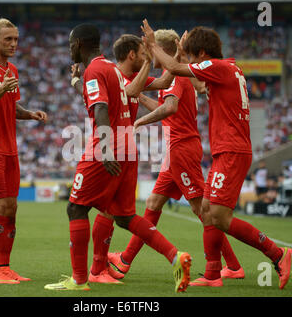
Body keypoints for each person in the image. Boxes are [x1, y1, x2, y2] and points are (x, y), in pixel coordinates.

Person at [142, 19, 292, 289]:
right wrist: (182, 55)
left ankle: (278, 254)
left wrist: (154, 44)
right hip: (226, 150)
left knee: (220, 217)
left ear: (202, 54)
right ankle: (213, 273)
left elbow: (176, 69)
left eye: (192, 54)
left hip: (232, 150)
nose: (190, 60)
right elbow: (198, 85)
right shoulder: (227, 70)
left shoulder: (218, 66)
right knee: (208, 212)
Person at [44, 23, 192, 292]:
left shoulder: (95, 70)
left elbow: (100, 107)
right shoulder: (111, 69)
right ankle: (175, 256)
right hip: (128, 149)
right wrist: (77, 82)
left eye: (69, 45)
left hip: (107, 146)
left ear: (78, 44)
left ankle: (79, 280)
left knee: (76, 208)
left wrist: (104, 148)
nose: (69, 50)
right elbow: (100, 97)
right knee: (122, 216)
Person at [108, 29, 244, 282]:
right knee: (153, 204)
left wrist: (139, 122)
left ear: (164, 50)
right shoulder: (172, 76)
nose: (148, 53)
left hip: (182, 149)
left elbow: (169, 109)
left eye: (152, 49)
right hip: (176, 150)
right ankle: (125, 260)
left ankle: (233, 265)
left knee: (203, 211)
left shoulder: (176, 76)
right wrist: (141, 99)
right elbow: (166, 106)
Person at [70, 33, 179, 284]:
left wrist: (164, 58)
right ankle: (101, 269)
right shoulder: (117, 75)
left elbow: (161, 82)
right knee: (115, 213)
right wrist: (77, 79)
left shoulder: (116, 75)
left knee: (84, 208)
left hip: (113, 145)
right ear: (130, 55)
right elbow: (93, 93)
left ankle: (92, 272)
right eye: (142, 53)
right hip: (127, 146)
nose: (144, 57)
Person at [0, 18, 48, 284]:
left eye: (15, 39)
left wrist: (30, 114)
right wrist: (1, 87)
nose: (14, 44)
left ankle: (4, 266)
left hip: (9, 147)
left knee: (12, 207)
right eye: (8, 39)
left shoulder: (11, 68)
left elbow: (12, 107)